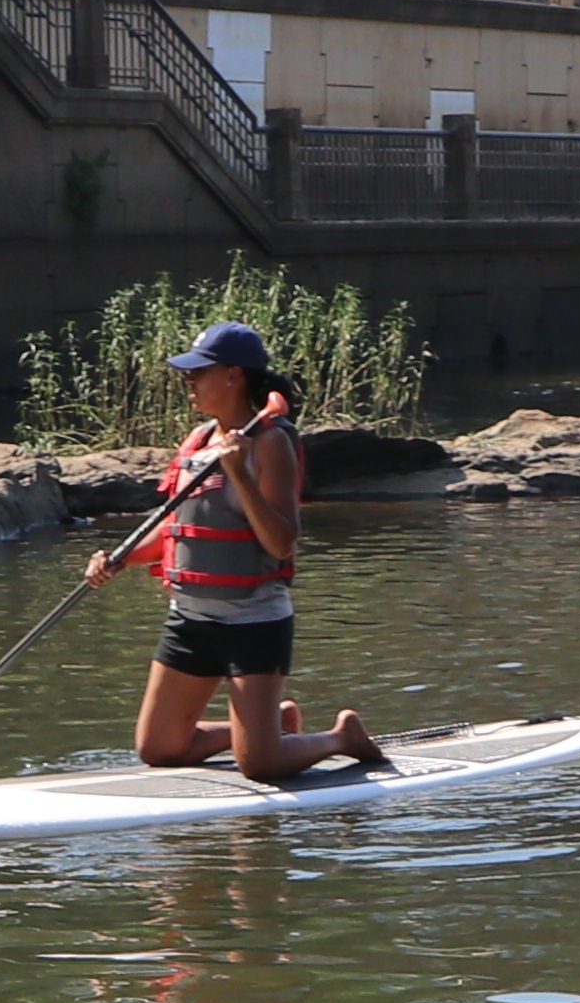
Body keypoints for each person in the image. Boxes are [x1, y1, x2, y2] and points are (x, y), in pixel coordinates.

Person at [100, 316, 382, 785]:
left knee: (261, 767)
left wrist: (240, 474)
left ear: (233, 376)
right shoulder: (197, 441)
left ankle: (339, 737)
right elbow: (176, 531)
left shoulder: (270, 443)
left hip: (253, 621)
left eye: (198, 372)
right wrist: (119, 557)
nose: (188, 382)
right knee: (160, 749)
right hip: (190, 618)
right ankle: (267, 728)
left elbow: (280, 541)